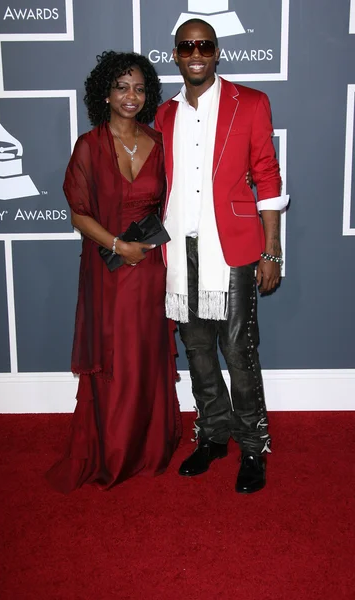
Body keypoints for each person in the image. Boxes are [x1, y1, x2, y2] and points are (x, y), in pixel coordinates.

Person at [154, 19, 289, 493]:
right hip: (178, 248)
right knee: (196, 349)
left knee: (237, 348)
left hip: (231, 248)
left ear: (217, 52)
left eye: (204, 45)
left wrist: (272, 250)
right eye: (187, 46)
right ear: (175, 55)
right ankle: (212, 434)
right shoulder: (165, 114)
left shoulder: (249, 103)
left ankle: (253, 446)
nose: (196, 53)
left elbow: (267, 180)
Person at [46, 51, 181, 492]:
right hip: (108, 268)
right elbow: (78, 214)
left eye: (140, 88)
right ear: (104, 93)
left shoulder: (160, 143)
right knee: (114, 357)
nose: (131, 96)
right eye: (122, 86)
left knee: (146, 354)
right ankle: (114, 449)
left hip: (151, 270)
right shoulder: (88, 146)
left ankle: (148, 446)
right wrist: (117, 244)